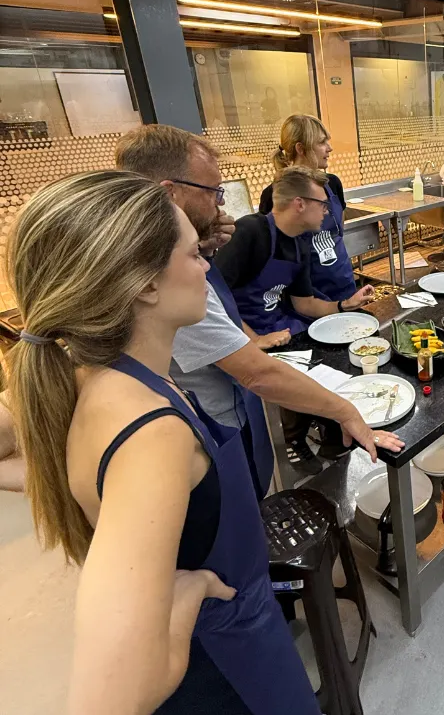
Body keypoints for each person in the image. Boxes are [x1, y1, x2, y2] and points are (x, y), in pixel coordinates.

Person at [4, 170, 328, 715]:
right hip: (226, 670)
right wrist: (184, 596)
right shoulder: (151, 436)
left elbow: (88, 475)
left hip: (230, 662)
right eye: (192, 253)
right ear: (145, 286)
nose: (207, 266)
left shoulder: (100, 377)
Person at [115, 126, 401, 489]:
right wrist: (346, 411)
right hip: (209, 426)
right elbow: (256, 372)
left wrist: (202, 248)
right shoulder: (162, 278)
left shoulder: (188, 258)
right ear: (169, 193)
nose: (220, 205)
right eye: (213, 191)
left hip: (232, 401)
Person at [217, 166, 373, 338]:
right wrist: (255, 340)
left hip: (278, 327)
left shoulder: (300, 245)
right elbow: (215, 296)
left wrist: (344, 305)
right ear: (300, 204)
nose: (327, 211)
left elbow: (305, 304)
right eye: (323, 204)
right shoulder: (249, 231)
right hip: (238, 335)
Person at [259, 114, 357, 303]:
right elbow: (276, 255)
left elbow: (339, 232)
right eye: (321, 142)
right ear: (300, 148)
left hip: (344, 285)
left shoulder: (332, 184)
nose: (329, 148)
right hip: (307, 298)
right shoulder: (273, 195)